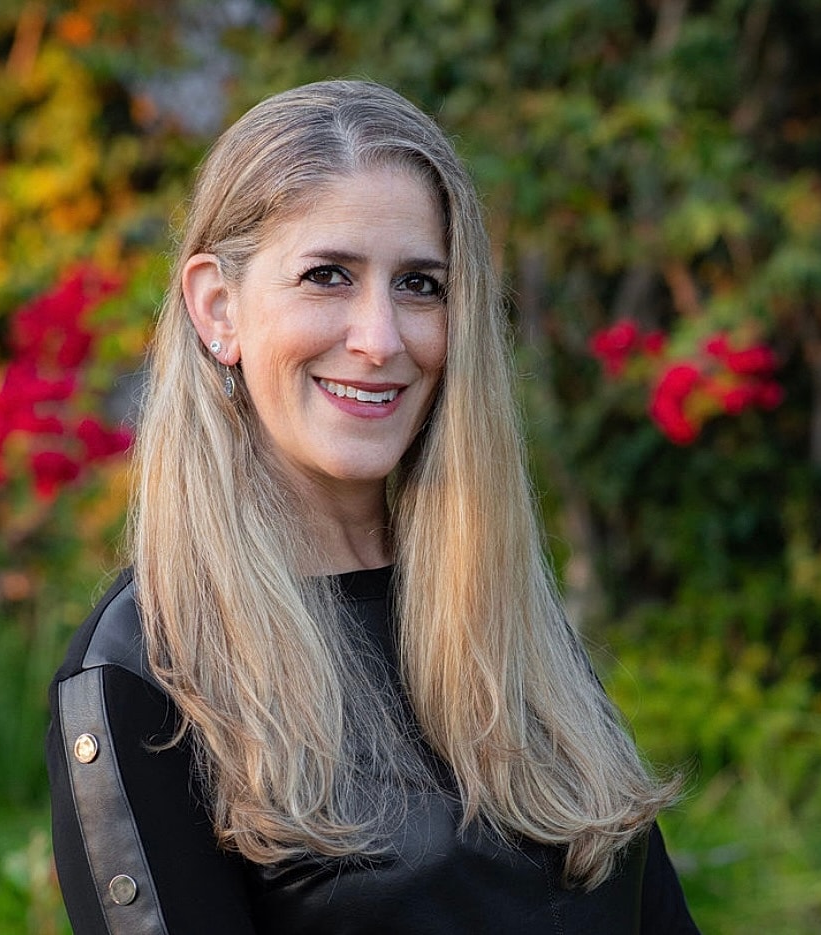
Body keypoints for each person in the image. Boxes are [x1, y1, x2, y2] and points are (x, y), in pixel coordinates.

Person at [46, 79, 700, 934]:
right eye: (328, 275)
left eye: (420, 285)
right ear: (218, 307)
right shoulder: (144, 675)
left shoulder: (506, 616)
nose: (380, 338)